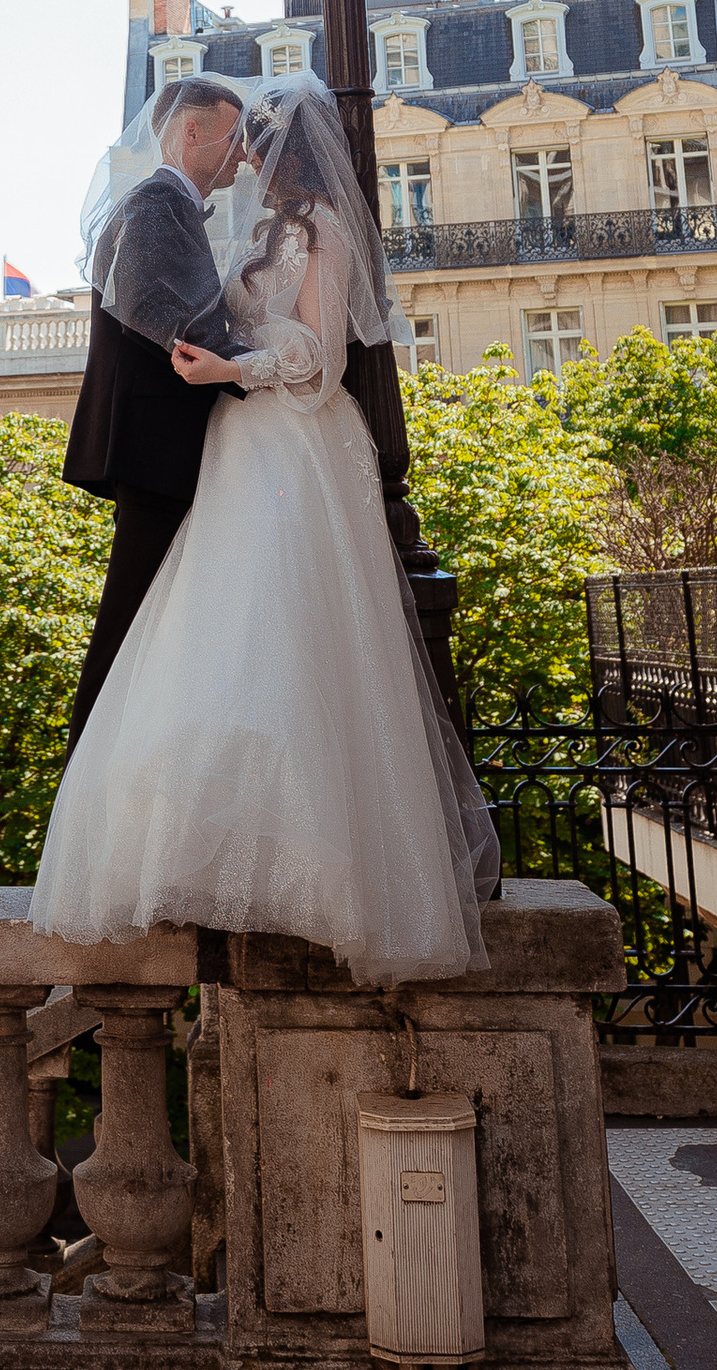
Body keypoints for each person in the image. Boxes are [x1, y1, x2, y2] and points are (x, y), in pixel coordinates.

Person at [33, 76, 498, 986]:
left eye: (260, 141)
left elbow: (321, 359)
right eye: (241, 138)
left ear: (287, 151)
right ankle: (208, 847)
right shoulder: (252, 234)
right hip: (236, 445)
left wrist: (230, 371)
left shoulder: (320, 228)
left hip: (285, 440)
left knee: (289, 637)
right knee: (218, 639)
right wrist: (222, 370)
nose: (247, 154)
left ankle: (312, 867)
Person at [59, 71, 251, 746]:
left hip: (157, 441)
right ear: (190, 132)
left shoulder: (166, 201)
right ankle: (87, 773)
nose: (241, 153)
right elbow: (150, 309)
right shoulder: (156, 202)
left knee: (151, 621)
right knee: (127, 622)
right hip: (154, 444)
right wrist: (249, 366)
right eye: (232, 138)